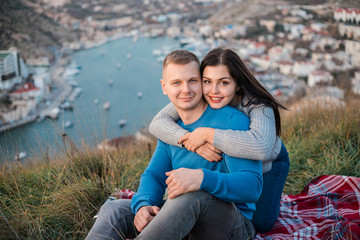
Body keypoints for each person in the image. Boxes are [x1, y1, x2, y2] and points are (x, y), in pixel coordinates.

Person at [86, 50, 263, 240]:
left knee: (192, 195)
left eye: (193, 81)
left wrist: (202, 178)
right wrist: (144, 204)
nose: (186, 89)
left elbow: (252, 186)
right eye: (176, 83)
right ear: (164, 87)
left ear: (202, 82)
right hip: (186, 217)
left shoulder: (232, 122)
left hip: (234, 227)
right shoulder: (172, 128)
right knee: (115, 209)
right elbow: (154, 175)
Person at [149, 48, 290, 233]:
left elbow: (261, 147)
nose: (214, 91)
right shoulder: (202, 97)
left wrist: (208, 134)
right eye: (207, 82)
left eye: (224, 82)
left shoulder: (258, 106)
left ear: (237, 84)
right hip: (241, 165)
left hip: (269, 162)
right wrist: (190, 142)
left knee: (260, 223)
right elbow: (158, 123)